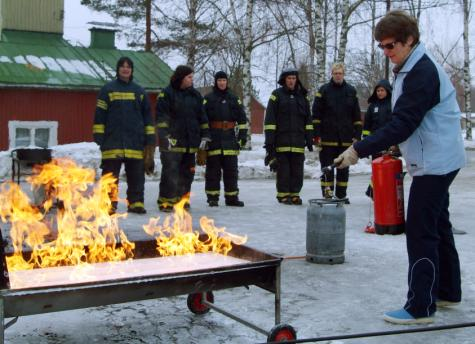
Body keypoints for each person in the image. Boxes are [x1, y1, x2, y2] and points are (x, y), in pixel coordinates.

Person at [334, 10, 466, 324]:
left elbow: (403, 123)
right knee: (438, 224)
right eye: (381, 47)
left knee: (421, 231)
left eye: (390, 45)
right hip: (435, 157)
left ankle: (421, 307)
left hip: (435, 162)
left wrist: (359, 149)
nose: (386, 52)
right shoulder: (409, 65)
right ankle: (447, 291)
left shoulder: (420, 72)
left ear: (409, 40)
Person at [92, 56, 155, 215]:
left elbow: (147, 117)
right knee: (110, 176)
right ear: (118, 69)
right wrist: (100, 138)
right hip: (112, 142)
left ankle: (136, 203)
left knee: (136, 175)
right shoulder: (108, 90)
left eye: (128, 66)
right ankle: (108, 204)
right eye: (122, 66)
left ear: (132, 70)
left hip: (135, 142)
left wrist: (150, 141)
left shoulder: (139, 91)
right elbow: (100, 115)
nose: (125, 69)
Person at [156, 65, 210, 212]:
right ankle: (166, 201)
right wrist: (165, 137)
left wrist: (205, 138)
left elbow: (203, 118)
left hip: (190, 144)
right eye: (189, 77)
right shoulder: (167, 94)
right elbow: (161, 118)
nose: (192, 80)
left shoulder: (196, 96)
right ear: (181, 78)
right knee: (170, 173)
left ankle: (182, 200)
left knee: (188, 174)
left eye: (192, 77)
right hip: (172, 143)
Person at [312, 63, 362, 203]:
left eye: (340, 73)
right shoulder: (323, 91)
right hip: (327, 139)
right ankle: (328, 195)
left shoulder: (351, 91)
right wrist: (316, 135)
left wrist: (357, 135)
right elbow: (316, 115)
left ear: (344, 74)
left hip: (345, 139)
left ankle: (341, 196)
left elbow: (357, 116)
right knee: (327, 168)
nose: (338, 75)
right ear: (332, 74)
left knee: (343, 169)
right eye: (335, 73)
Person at [264, 67, 314, 205]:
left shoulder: (303, 96)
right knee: (284, 170)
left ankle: (295, 194)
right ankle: (283, 195)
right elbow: (270, 121)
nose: (291, 81)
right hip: (281, 140)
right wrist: (269, 142)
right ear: (284, 80)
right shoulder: (276, 95)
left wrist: (309, 138)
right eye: (289, 79)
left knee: (297, 170)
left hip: (298, 141)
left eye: (293, 78)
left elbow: (308, 120)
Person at [203, 71, 248, 207]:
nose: (222, 83)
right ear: (215, 82)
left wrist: (242, 138)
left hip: (230, 140)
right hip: (214, 139)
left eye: (224, 80)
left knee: (231, 172)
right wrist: (204, 138)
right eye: (219, 80)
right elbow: (203, 121)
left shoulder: (234, 99)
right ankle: (212, 198)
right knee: (213, 172)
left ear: (227, 82)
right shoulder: (208, 99)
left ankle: (232, 198)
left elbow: (242, 121)